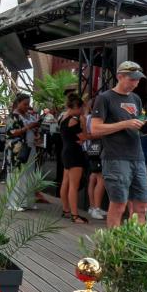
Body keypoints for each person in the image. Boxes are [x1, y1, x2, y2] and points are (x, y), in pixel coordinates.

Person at [90, 61, 147, 228]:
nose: (135, 83)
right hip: (115, 157)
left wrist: (146, 128)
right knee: (119, 205)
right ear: (120, 77)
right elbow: (94, 129)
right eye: (132, 79)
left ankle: (137, 245)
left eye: (138, 80)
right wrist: (126, 124)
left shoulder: (136, 98)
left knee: (142, 206)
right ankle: (115, 248)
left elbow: (136, 122)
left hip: (137, 157)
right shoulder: (104, 98)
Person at [59, 95, 89, 223]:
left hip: (66, 151)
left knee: (66, 182)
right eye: (81, 108)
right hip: (74, 153)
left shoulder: (63, 117)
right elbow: (84, 136)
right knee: (73, 185)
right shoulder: (74, 120)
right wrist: (84, 121)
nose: (82, 110)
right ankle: (75, 215)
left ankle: (66, 210)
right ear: (77, 107)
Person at [3, 93, 35, 211]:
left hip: (27, 147)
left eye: (28, 104)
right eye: (25, 104)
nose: (27, 106)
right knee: (15, 174)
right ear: (18, 103)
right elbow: (11, 132)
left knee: (26, 174)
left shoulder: (27, 115)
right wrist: (28, 127)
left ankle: (24, 201)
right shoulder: (13, 116)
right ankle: (13, 202)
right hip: (15, 149)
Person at [82, 97, 107, 221]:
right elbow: (91, 134)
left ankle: (93, 206)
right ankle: (96, 207)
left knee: (93, 178)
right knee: (100, 178)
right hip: (96, 150)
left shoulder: (87, 117)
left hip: (91, 150)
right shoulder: (92, 118)